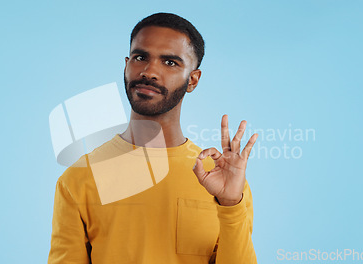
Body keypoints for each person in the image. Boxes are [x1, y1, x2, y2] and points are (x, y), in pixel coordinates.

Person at [48, 12, 258, 264]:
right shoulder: (80, 177)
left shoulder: (224, 180)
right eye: (140, 57)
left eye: (170, 62)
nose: (149, 71)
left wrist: (230, 205)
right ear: (126, 65)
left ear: (193, 79)